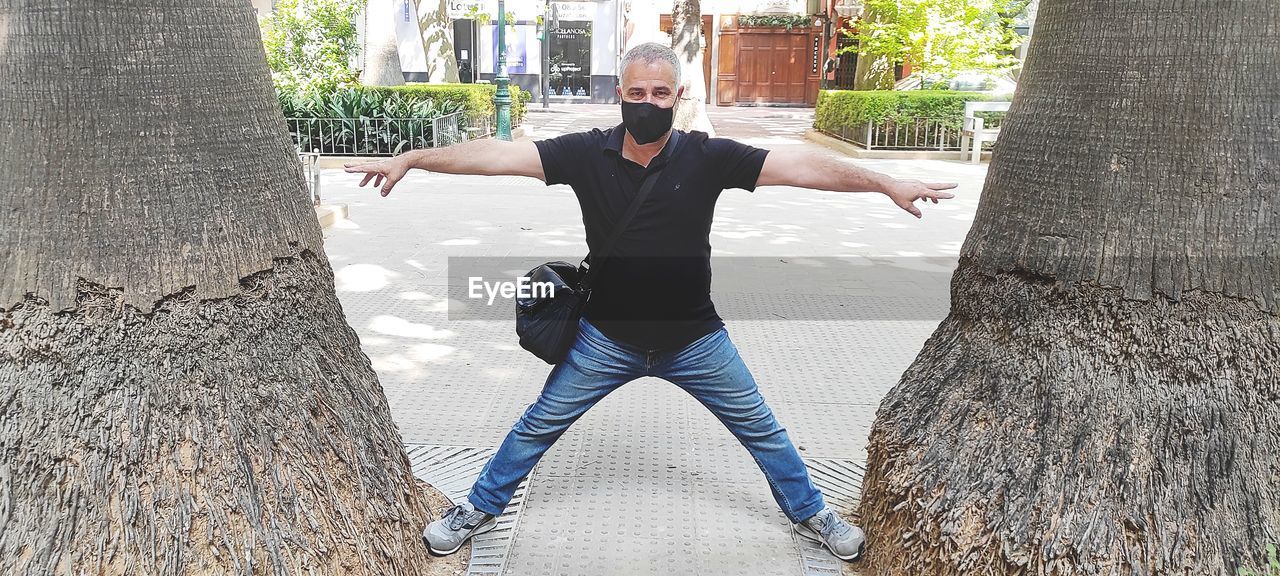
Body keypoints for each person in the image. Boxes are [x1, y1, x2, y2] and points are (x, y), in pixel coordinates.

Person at [344, 42, 956, 563]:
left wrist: (884, 181)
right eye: (637, 93)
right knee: (536, 427)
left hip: (696, 339)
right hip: (606, 338)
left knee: (764, 430)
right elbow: (497, 157)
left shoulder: (709, 156)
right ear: (621, 95)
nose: (647, 105)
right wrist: (415, 159)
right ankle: (476, 510)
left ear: (677, 97)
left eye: (660, 95)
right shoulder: (586, 153)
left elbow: (802, 167)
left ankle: (812, 515)